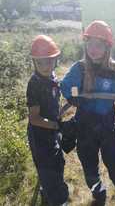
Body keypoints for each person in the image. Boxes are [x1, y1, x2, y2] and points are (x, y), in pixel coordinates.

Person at [60, 20, 115, 206]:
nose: (93, 49)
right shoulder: (79, 68)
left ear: (107, 47)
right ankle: (98, 193)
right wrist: (74, 96)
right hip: (84, 128)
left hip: (107, 128)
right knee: (89, 165)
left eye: (98, 45)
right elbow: (65, 86)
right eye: (90, 44)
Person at [26, 35, 69, 206]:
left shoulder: (53, 80)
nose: (45, 66)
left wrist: (69, 105)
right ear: (34, 62)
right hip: (40, 137)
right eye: (40, 62)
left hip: (52, 131)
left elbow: (55, 111)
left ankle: (47, 195)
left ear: (55, 60)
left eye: (49, 62)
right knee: (49, 170)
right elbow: (34, 118)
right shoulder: (34, 84)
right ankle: (58, 201)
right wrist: (55, 125)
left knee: (57, 165)